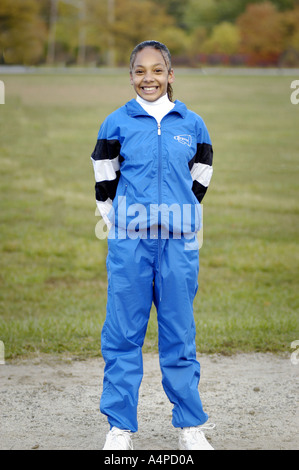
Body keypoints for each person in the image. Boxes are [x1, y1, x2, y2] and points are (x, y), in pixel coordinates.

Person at [91, 40, 214, 451]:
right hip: (130, 245)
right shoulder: (116, 123)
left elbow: (200, 176)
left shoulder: (192, 124)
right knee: (124, 334)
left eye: (157, 70)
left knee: (179, 333)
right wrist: (126, 223)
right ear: (131, 77)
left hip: (179, 244)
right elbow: (104, 183)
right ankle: (120, 427)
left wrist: (177, 214)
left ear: (170, 75)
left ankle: (190, 426)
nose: (149, 78)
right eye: (141, 71)